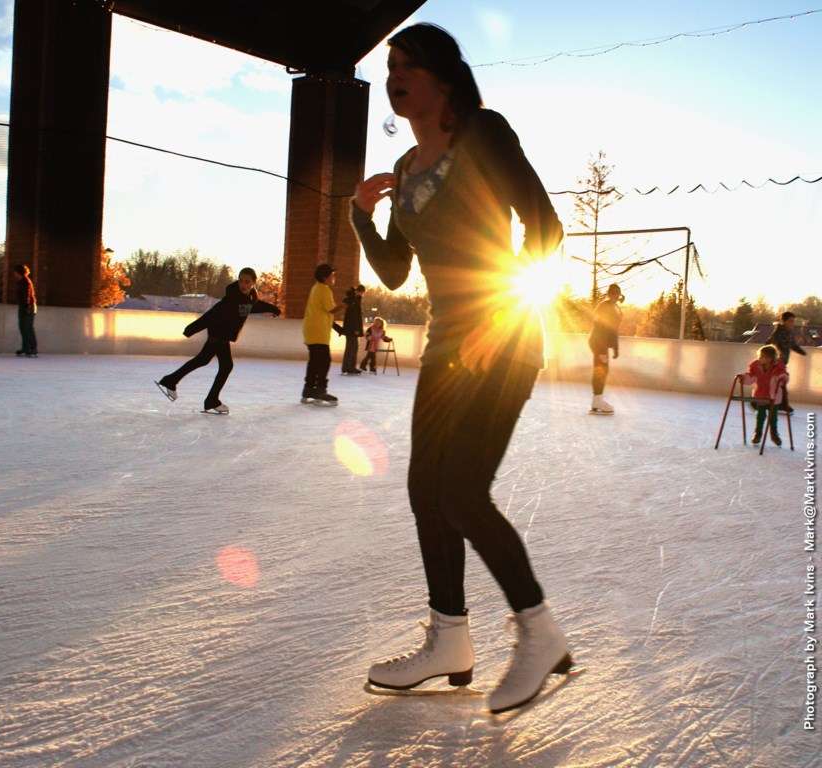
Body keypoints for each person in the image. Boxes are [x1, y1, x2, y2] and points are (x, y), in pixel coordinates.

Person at [350, 24, 567, 713]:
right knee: (426, 493)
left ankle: (540, 634)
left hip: (501, 342)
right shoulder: (409, 168)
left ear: (442, 75)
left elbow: (545, 227)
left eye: (407, 64)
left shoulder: (482, 132)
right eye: (390, 68)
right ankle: (450, 639)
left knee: (463, 492)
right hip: (446, 350)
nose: (395, 77)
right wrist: (361, 215)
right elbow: (392, 268)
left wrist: (499, 322)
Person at [156, 267, 280, 414]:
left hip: (222, 335)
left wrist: (274, 309)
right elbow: (213, 314)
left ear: (253, 283)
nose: (243, 284)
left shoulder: (248, 299)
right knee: (225, 365)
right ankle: (210, 399)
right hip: (218, 333)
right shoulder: (232, 298)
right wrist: (192, 329)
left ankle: (172, 381)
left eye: (247, 281)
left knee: (204, 360)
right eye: (241, 280)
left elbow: (254, 307)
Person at [301, 263, 346, 404]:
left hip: (312, 330)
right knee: (324, 361)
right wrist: (348, 303)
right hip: (318, 332)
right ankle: (320, 390)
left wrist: (337, 328)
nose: (333, 277)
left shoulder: (316, 288)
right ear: (325, 277)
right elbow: (331, 310)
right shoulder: (324, 290)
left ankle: (308, 390)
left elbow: (322, 312)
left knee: (315, 361)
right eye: (331, 275)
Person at [739, 344, 789, 446]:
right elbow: (751, 377)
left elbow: (784, 375)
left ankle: (774, 433)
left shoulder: (778, 368)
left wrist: (783, 378)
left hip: (773, 397)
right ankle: (758, 433)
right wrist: (744, 378)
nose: (759, 358)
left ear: (769, 359)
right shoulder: (756, 367)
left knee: (773, 417)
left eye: (762, 357)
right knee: (760, 416)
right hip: (760, 395)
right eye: (759, 356)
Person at [588, 283, 624, 414]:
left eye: (617, 294)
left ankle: (596, 400)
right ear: (609, 294)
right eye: (613, 293)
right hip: (598, 341)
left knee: (603, 369)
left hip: (602, 342)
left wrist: (615, 348)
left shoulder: (615, 307)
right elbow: (600, 327)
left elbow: (614, 331)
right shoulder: (605, 307)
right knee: (601, 369)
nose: (616, 296)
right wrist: (602, 348)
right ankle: (597, 399)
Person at [768, 311, 806, 414]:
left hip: (782, 362)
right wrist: (768, 358)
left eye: (793, 322)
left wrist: (803, 352)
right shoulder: (779, 332)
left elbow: (793, 345)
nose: (792, 324)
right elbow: (769, 343)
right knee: (780, 382)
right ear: (784, 321)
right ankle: (783, 405)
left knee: (777, 383)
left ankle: (780, 404)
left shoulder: (789, 333)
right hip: (776, 362)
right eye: (790, 321)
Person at [341, 284, 366, 374]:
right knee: (351, 348)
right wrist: (356, 329)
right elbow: (354, 316)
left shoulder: (356, 300)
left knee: (353, 348)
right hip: (351, 329)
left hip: (350, 328)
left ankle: (351, 367)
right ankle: (347, 367)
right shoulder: (354, 300)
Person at [14, 264, 38, 358]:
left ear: (19, 272)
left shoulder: (25, 282)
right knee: (22, 328)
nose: (14, 273)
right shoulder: (20, 282)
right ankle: (25, 348)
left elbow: (27, 296)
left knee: (28, 327)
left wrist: (26, 308)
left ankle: (33, 349)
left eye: (15, 271)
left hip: (29, 306)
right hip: (23, 306)